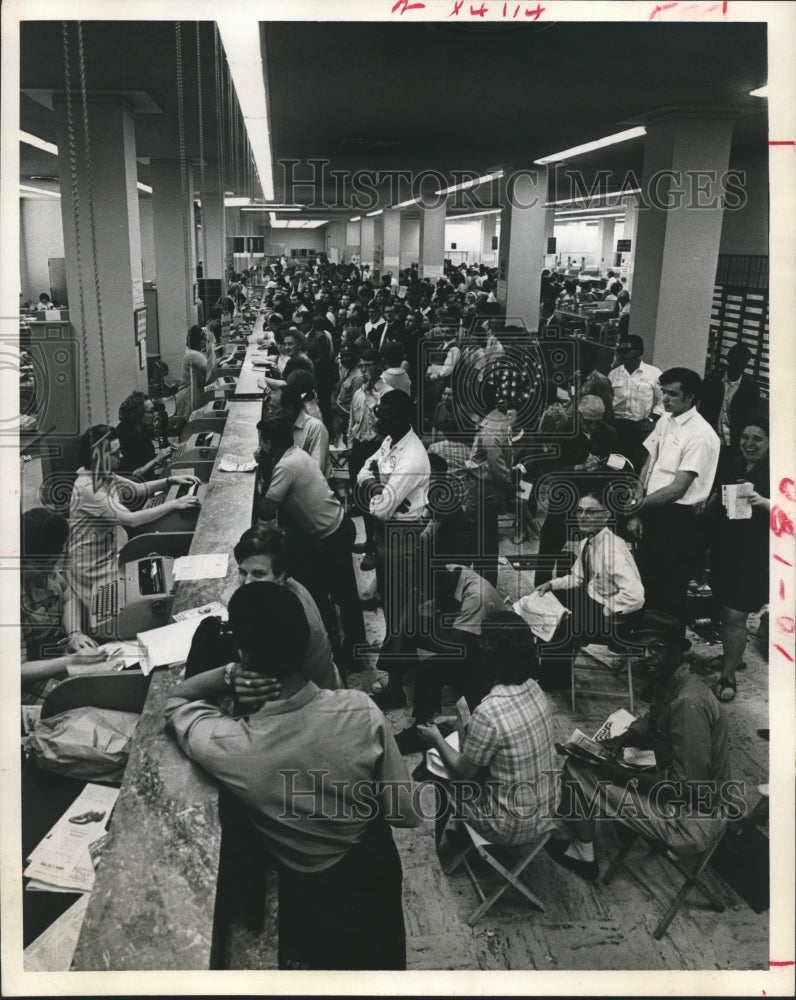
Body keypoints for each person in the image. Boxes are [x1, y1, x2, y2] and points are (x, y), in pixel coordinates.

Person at [165, 582, 417, 970]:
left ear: (244, 652)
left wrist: (232, 673)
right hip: (373, 869)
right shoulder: (360, 710)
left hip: (309, 894)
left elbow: (178, 699)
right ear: (305, 643)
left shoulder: (236, 748)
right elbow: (405, 812)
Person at [545, 611, 731, 881]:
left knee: (576, 770)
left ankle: (583, 854)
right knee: (600, 755)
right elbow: (651, 719)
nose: (646, 656)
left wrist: (618, 773)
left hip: (693, 818)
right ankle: (612, 819)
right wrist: (620, 740)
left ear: (678, 651)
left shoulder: (689, 704)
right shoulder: (672, 681)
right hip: (679, 784)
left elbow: (691, 788)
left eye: (656, 648)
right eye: (640, 649)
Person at [418, 611, 558, 847]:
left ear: (487, 657)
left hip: (508, 826)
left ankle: (449, 842)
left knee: (442, 775)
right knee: (476, 761)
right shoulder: (534, 688)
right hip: (546, 810)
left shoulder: (489, 711)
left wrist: (435, 740)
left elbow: (462, 772)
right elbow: (506, 730)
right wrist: (457, 722)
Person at [63, 425, 201, 639]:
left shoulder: (103, 474)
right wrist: (175, 504)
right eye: (115, 453)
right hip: (90, 569)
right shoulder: (88, 487)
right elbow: (131, 519)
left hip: (107, 558)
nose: (122, 455)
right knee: (142, 602)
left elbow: (137, 490)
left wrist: (169, 481)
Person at [255, 416, 365, 673]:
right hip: (338, 524)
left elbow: (266, 509)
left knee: (341, 595)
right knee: (343, 594)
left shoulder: (285, 467)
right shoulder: (298, 454)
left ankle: (351, 654)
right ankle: (350, 649)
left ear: (269, 443)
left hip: (332, 535)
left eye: (262, 442)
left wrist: (263, 467)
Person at [376, 564, 505, 752]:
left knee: (429, 669)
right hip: (463, 632)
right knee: (406, 626)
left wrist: (432, 615)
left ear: (440, 589)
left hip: (485, 653)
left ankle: (423, 729)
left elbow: (458, 646)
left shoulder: (476, 598)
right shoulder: (452, 572)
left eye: (434, 594)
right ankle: (395, 689)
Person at [627, 368, 720, 625]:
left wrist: (637, 506)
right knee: (645, 580)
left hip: (679, 520)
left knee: (669, 589)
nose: (664, 399)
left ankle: (667, 652)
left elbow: (678, 488)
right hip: (653, 511)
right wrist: (638, 510)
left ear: (690, 398)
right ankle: (647, 643)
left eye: (672, 394)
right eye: (663, 392)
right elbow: (649, 462)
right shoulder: (665, 420)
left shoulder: (701, 435)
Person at [530, 491, 644, 689]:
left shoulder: (611, 550)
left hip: (616, 620)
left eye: (591, 512)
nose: (583, 516)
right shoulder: (588, 541)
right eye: (580, 511)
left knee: (561, 624)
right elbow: (577, 577)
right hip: (594, 600)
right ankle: (545, 669)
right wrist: (551, 585)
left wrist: (607, 611)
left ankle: (553, 681)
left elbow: (636, 596)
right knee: (546, 606)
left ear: (606, 515)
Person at [357, 388, 430, 640]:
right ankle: (394, 649)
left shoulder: (412, 457)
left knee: (400, 604)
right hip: (386, 534)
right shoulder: (390, 440)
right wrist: (379, 486)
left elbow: (380, 509)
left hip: (403, 535)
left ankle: (398, 670)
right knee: (388, 599)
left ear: (401, 419)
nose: (378, 421)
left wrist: (380, 491)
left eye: (385, 417)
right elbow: (362, 471)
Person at [233, 523, 341, 691]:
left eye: (258, 574)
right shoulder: (289, 586)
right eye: (242, 572)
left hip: (315, 699)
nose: (247, 582)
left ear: (280, 574)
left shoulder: (284, 618)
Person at [708, 416, 770, 702]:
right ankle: (732, 656)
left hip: (755, 557)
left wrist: (766, 503)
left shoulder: (779, 471)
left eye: (757, 438)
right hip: (728, 552)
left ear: (770, 442)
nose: (749, 443)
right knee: (726, 613)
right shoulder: (735, 464)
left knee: (735, 616)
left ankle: (728, 676)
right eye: (745, 437)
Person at [20, 508, 109, 703]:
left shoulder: (47, 571)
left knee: (111, 680)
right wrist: (72, 661)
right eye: (43, 566)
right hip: (26, 681)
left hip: (56, 658)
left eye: (53, 563)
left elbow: (69, 598)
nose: (51, 571)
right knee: (86, 701)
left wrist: (74, 633)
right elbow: (17, 671)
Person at [465, 390, 514, 587]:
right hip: (485, 493)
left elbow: (498, 465)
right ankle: (484, 586)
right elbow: (498, 467)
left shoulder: (492, 424)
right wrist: (510, 489)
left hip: (484, 492)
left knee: (482, 542)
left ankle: (482, 586)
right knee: (485, 544)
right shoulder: (495, 426)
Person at [699, 343, 761, 480]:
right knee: (704, 475)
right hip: (710, 438)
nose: (738, 366)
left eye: (742, 364)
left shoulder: (750, 388)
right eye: (736, 362)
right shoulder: (712, 380)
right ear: (729, 360)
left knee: (726, 479)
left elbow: (752, 419)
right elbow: (702, 410)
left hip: (733, 445)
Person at [348, 349, 385, 570]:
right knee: (360, 500)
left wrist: (374, 399)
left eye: (368, 365)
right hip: (359, 449)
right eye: (361, 366)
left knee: (376, 503)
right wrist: (350, 442)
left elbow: (384, 424)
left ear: (378, 366)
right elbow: (352, 419)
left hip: (376, 450)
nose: (363, 370)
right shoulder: (358, 392)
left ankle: (376, 549)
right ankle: (369, 541)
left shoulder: (385, 392)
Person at [608, 334, 663, 473]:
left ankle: (634, 482)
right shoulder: (614, 374)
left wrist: (651, 419)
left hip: (640, 426)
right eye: (619, 351)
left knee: (636, 462)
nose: (622, 354)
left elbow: (661, 402)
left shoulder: (653, 374)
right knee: (615, 462)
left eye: (626, 351)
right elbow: (608, 400)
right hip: (617, 425)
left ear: (639, 352)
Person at [265, 383, 329, 472]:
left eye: (274, 408)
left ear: (290, 410)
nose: (270, 412)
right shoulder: (279, 426)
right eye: (269, 407)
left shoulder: (315, 428)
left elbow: (317, 470)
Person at [116, 391, 173, 481]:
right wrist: (157, 459)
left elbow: (144, 460)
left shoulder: (142, 430)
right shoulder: (124, 437)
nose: (155, 414)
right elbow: (130, 477)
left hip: (147, 481)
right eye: (151, 411)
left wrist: (166, 451)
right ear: (137, 415)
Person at [175, 325, 208, 420]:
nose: (204, 342)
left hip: (187, 395)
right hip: (187, 397)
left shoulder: (191, 352)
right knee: (188, 428)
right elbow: (210, 367)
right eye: (203, 340)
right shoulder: (193, 355)